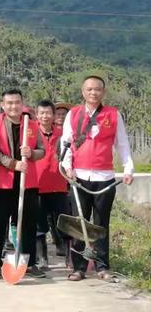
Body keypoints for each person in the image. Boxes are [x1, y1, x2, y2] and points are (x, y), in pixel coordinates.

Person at [62, 76, 134, 282]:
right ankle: (79, 268)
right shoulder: (73, 114)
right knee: (79, 224)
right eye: (89, 89)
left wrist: (128, 168)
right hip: (79, 177)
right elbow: (66, 143)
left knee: (101, 223)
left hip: (105, 177)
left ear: (103, 92)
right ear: (83, 91)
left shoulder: (113, 114)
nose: (93, 93)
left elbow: (122, 144)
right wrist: (68, 167)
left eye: (98, 89)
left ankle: (102, 266)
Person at [0, 88, 46, 279]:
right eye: (9, 103)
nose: (13, 106)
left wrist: (31, 154)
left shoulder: (33, 125)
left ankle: (29, 262)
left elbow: (42, 150)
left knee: (28, 224)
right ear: (3, 105)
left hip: (28, 182)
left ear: (22, 103)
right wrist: (13, 164)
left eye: (17, 102)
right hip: (3, 183)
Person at [35, 100, 69, 269]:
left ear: (54, 115)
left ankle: (70, 256)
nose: (45, 116)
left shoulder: (63, 134)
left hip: (59, 185)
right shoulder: (30, 133)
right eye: (42, 113)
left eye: (48, 113)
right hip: (38, 186)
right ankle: (42, 258)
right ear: (37, 115)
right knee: (39, 225)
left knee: (63, 222)